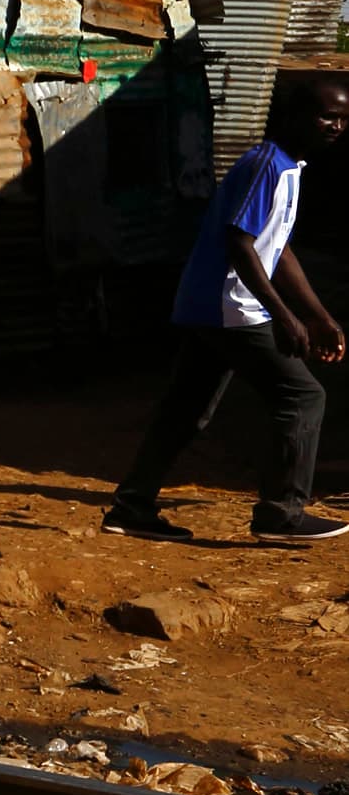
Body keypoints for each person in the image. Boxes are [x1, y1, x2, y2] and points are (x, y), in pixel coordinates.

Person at [105, 73, 349, 543]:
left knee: (185, 410)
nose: (336, 126)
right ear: (294, 116)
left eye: (343, 119)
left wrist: (317, 314)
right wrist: (285, 317)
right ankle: (281, 514)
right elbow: (240, 244)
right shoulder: (267, 166)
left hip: (208, 306)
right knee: (302, 396)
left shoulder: (289, 167)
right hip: (230, 306)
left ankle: (131, 506)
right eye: (326, 116)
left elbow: (276, 249)